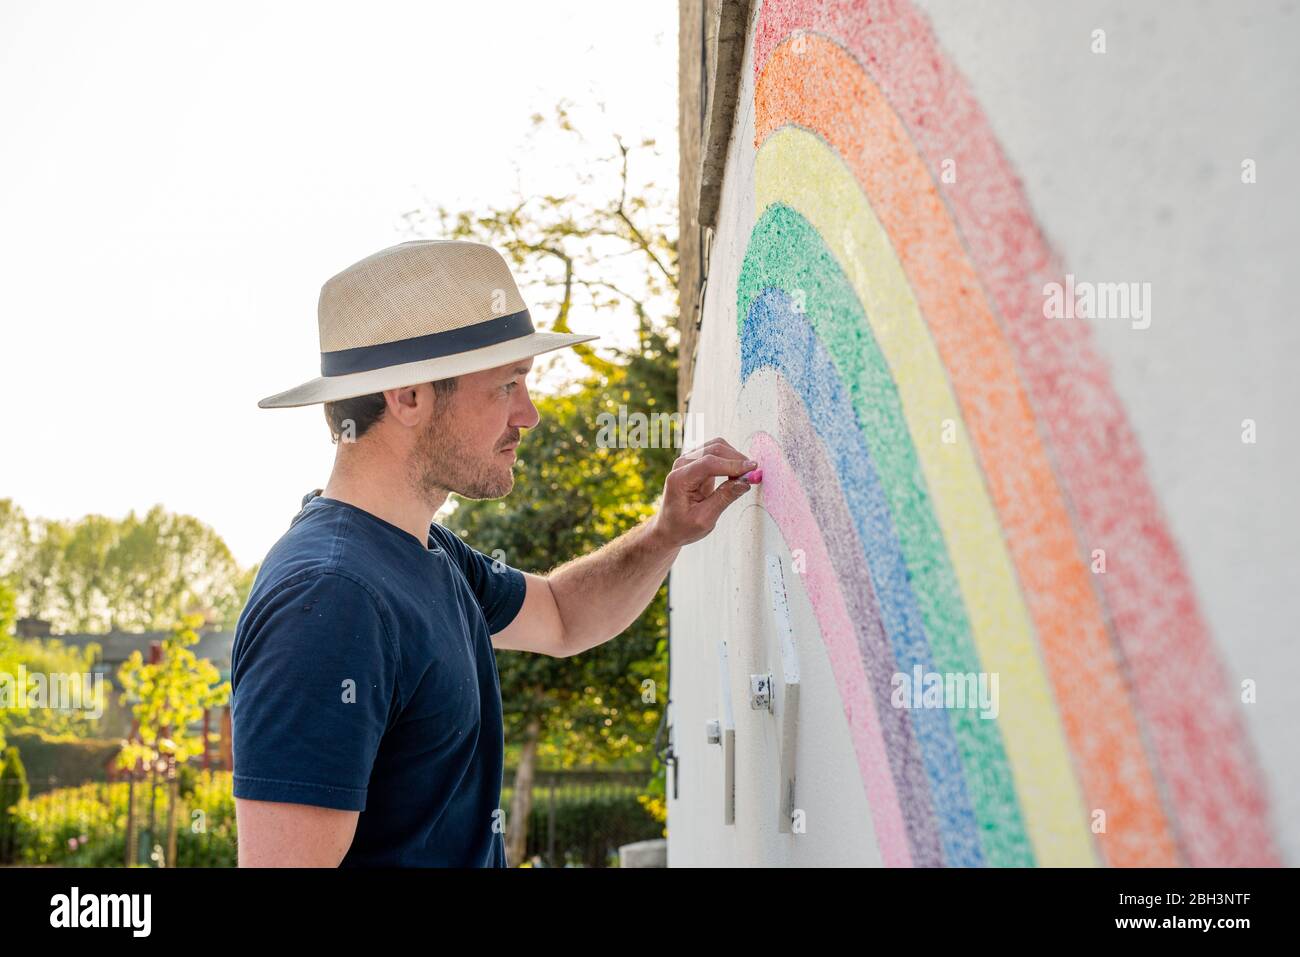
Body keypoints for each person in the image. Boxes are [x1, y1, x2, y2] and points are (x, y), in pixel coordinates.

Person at [233, 239, 757, 866]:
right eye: (506, 385)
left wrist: (666, 532)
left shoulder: (429, 554)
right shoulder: (332, 596)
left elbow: (562, 615)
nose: (529, 414)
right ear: (408, 397)